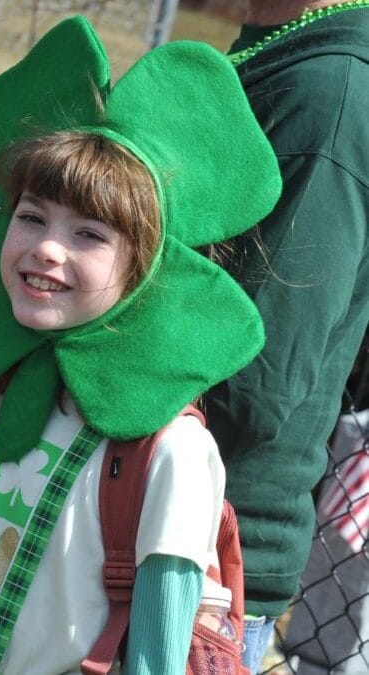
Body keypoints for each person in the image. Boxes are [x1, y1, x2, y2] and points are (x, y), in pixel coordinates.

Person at [0, 15, 281, 675]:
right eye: (31, 216)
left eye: (90, 234)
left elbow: (158, 654)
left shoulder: (169, 449)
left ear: (145, 268)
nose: (46, 248)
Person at [203, 1, 369, 669]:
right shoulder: (281, 54)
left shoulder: (327, 93)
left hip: (195, 555)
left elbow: (254, 384)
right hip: (146, 518)